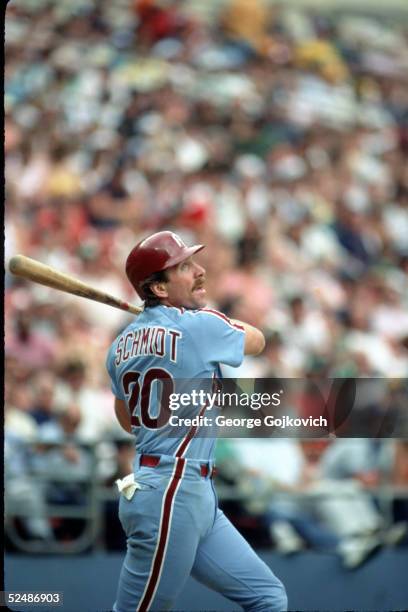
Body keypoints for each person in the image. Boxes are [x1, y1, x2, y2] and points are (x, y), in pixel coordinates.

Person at [106, 231, 287, 612]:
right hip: (170, 491)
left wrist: (165, 325)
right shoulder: (199, 326)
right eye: (184, 267)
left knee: (269, 599)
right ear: (157, 286)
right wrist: (188, 324)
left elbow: (129, 421)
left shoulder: (119, 346)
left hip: (187, 492)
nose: (199, 271)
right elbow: (257, 340)